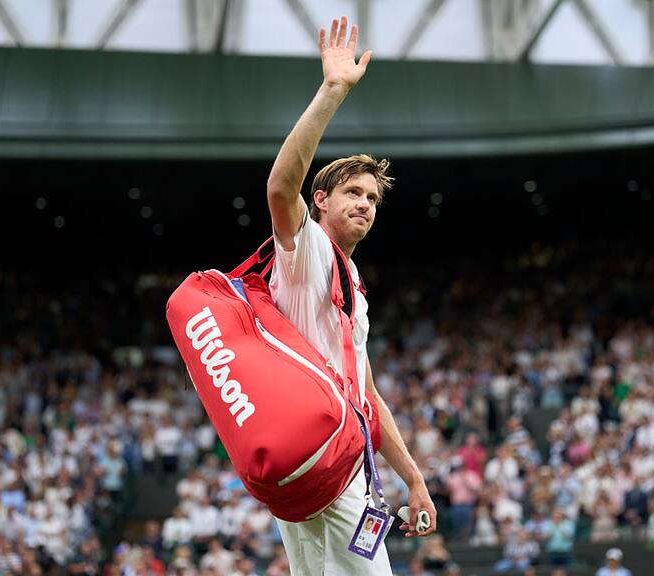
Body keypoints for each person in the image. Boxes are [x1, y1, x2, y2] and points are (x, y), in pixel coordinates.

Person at [266, 15, 436, 575]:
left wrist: (411, 476)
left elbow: (365, 392)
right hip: (323, 459)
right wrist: (332, 91)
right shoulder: (306, 253)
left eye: (372, 198)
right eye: (352, 193)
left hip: (338, 463)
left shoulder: (352, 284)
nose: (365, 204)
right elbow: (279, 186)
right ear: (321, 199)